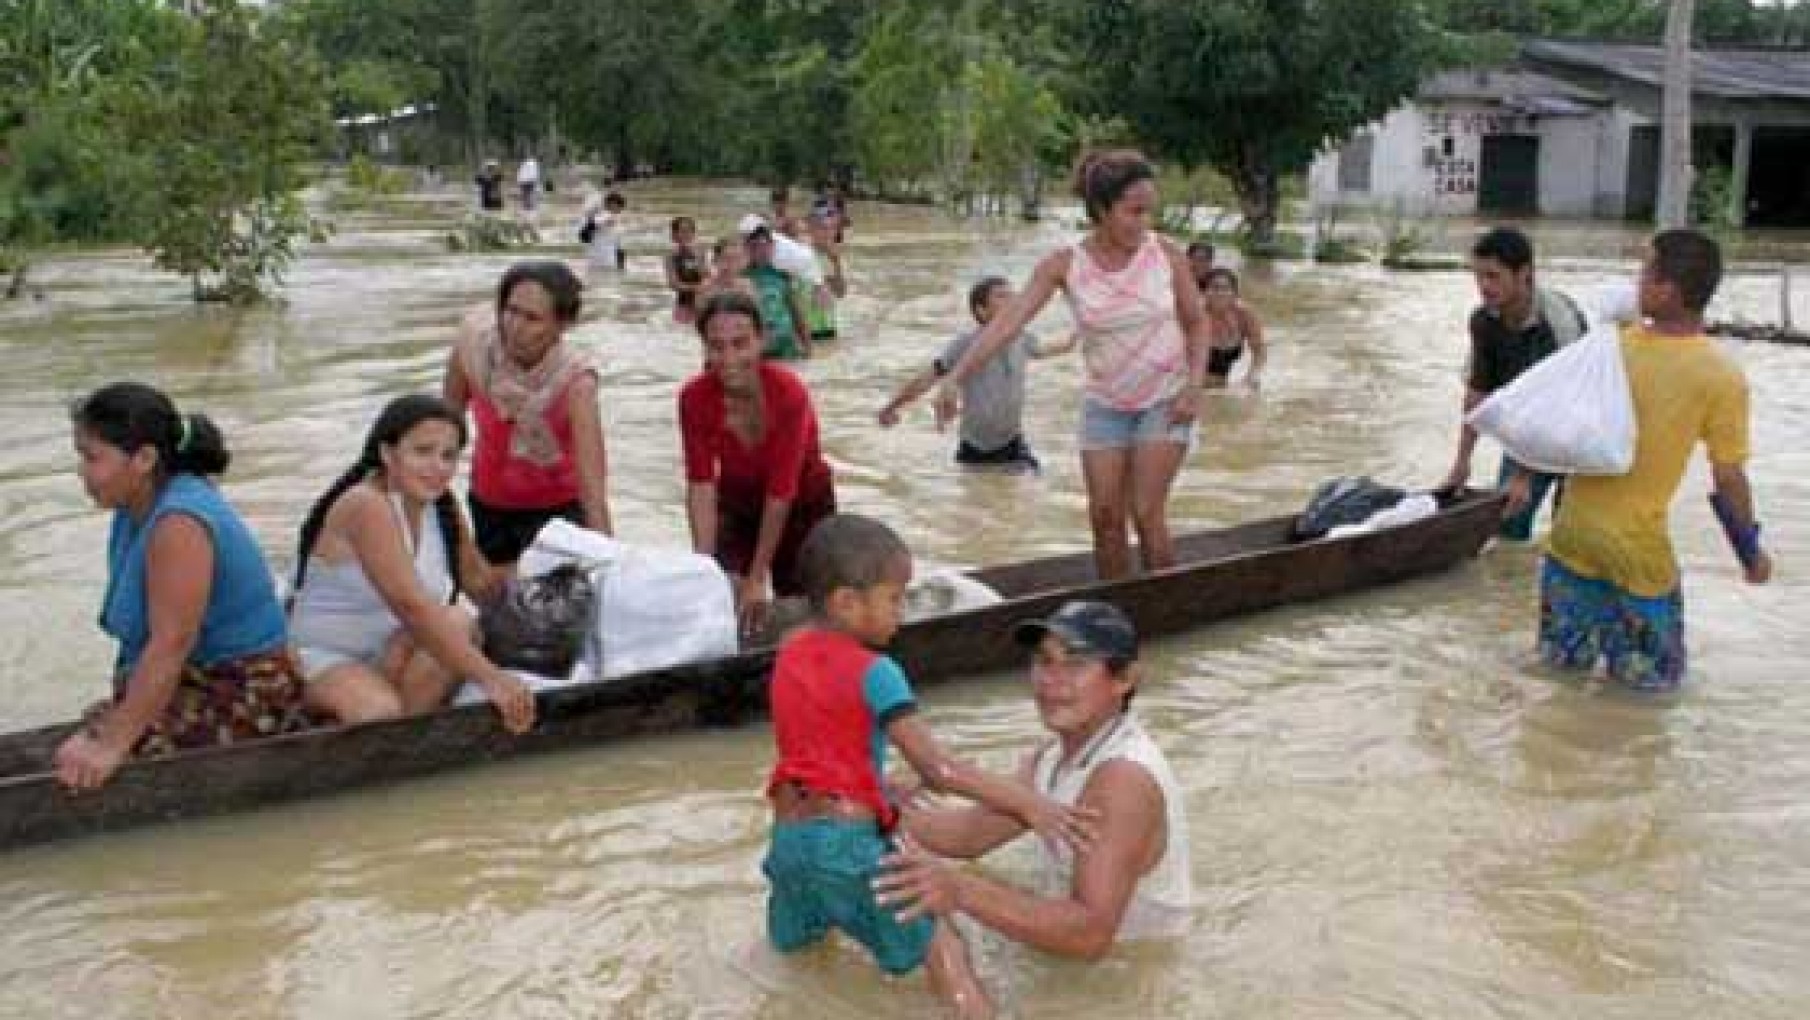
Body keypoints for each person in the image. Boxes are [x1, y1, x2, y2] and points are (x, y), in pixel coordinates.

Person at [761, 514, 1091, 1019]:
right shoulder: (879, 671)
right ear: (847, 603)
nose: (903, 612)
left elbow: (810, 747)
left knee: (797, 968)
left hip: (788, 845)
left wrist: (878, 785)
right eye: (895, 598)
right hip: (847, 846)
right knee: (946, 948)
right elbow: (940, 770)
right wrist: (1030, 804)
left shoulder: (790, 650)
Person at [936, 149, 1209, 580]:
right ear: (1101, 209)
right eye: (1133, 212)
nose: (1144, 223)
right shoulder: (1064, 266)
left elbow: (1196, 323)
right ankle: (1115, 611)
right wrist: (955, 378)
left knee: (1146, 511)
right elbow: (1008, 323)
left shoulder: (1166, 255)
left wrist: (1194, 385)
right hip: (1106, 403)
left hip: (1167, 398)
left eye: (1149, 212)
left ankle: (1167, 605)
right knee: (1104, 517)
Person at [876, 599, 1192, 959]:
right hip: (1084, 959)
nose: (1050, 680)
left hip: (1130, 967)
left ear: (1125, 679)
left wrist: (960, 889)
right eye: (1044, 661)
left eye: (1075, 663)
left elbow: (1089, 936)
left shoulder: (1123, 779)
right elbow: (966, 836)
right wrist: (868, 804)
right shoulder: (1053, 757)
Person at [1539, 229, 1772, 693]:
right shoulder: (1720, 376)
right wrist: (1750, 553)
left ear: (1667, 290)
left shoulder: (1611, 348)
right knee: (1648, 700)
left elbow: (1555, 425)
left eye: (1644, 272)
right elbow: (1728, 477)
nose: (1636, 282)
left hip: (1570, 538)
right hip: (1635, 553)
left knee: (1558, 682)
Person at [56, 383, 310, 790]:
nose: (83, 472)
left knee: (106, 762)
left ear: (144, 459)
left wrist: (114, 744)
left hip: (248, 688)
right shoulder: (133, 506)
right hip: (194, 678)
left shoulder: (180, 522)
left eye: (92, 457)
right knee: (81, 741)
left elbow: (171, 642)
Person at [289, 394, 536, 733]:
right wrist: (493, 679)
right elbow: (411, 605)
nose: (438, 467)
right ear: (388, 454)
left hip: (395, 652)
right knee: (379, 712)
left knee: (459, 622)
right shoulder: (366, 505)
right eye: (423, 452)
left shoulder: (443, 508)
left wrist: (546, 603)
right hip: (326, 656)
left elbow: (481, 584)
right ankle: (396, 737)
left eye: (448, 456)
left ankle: (400, 744)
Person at [679, 291, 837, 635]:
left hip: (803, 504)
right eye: (716, 346)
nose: (728, 358)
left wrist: (757, 575)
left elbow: (782, 492)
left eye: (740, 344)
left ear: (761, 341)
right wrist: (702, 568)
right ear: (704, 347)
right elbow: (701, 485)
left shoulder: (788, 392)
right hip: (738, 503)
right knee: (725, 596)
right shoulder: (694, 397)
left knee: (802, 603)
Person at [444, 261, 614, 565]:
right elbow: (442, 432)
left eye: (533, 318)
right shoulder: (473, 350)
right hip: (488, 506)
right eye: (510, 310)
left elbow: (592, 486)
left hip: (558, 516)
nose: (515, 327)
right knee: (495, 604)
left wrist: (608, 563)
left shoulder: (575, 382)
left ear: (562, 325)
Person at [1441, 226, 1587, 540]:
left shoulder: (1557, 324)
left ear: (1524, 274)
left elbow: (1561, 403)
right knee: (1508, 524)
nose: (1483, 286)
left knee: (1572, 536)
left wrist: (1524, 474)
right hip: (1529, 427)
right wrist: (1462, 462)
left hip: (1579, 430)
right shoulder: (1484, 321)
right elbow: (1478, 394)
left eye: (1493, 276)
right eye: (1478, 276)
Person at [879, 276, 1074, 473]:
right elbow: (927, 379)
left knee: (1029, 487)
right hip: (975, 449)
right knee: (977, 497)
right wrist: (892, 407)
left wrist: (1078, 336)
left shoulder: (1022, 338)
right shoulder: (966, 343)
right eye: (1002, 297)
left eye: (1013, 296)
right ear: (981, 311)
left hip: (1013, 444)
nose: (1013, 301)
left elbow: (1049, 348)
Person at [739, 220, 813, 360]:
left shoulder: (782, 276)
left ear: (772, 246)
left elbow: (797, 314)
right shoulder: (741, 278)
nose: (761, 250)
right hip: (757, 351)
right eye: (755, 246)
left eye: (765, 245)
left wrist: (808, 348)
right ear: (747, 248)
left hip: (787, 348)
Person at [1200, 267, 1267, 390]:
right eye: (1214, 288)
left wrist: (1252, 375)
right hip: (1195, 380)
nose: (1220, 293)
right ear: (1204, 292)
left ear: (1235, 293)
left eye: (1225, 288)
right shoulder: (1195, 315)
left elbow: (1259, 351)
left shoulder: (1244, 315)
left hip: (1222, 382)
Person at [803, 207, 847, 346]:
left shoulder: (835, 257)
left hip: (828, 325)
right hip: (805, 327)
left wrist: (836, 263)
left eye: (832, 228)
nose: (828, 233)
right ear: (811, 230)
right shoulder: (801, 254)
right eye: (823, 228)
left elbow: (840, 293)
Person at [664, 215, 707, 324]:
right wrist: (695, 288)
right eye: (682, 231)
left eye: (690, 231)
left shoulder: (700, 251)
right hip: (683, 304)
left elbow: (707, 276)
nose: (686, 235)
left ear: (694, 234)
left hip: (702, 303)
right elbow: (673, 284)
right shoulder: (671, 256)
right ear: (674, 235)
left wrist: (696, 257)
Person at [582, 191, 628, 275]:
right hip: (598, 263)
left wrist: (621, 269)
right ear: (610, 204)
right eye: (619, 206)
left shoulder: (618, 223)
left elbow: (619, 249)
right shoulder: (603, 217)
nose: (620, 210)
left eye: (621, 207)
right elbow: (584, 234)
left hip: (605, 263)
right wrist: (621, 269)